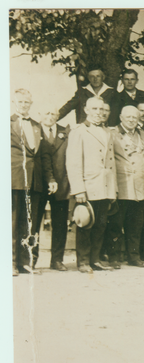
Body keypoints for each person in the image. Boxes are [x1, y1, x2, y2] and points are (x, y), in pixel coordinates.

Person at [66, 97, 118, 273]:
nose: (98, 112)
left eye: (101, 109)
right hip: (89, 186)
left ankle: (95, 259)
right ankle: (83, 261)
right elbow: (73, 163)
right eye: (94, 109)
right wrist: (78, 189)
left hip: (105, 185)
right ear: (86, 110)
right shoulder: (79, 131)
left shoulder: (107, 131)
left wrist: (113, 189)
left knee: (101, 224)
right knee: (86, 223)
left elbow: (112, 163)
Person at [105, 106, 144, 268]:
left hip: (140, 188)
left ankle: (134, 257)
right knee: (116, 225)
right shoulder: (112, 134)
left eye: (135, 117)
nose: (132, 120)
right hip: (122, 185)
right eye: (128, 117)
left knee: (136, 225)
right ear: (120, 117)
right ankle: (114, 258)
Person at [11, 89, 44, 276]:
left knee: (29, 224)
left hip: (34, 181)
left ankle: (26, 262)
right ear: (14, 102)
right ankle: (11, 263)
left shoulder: (36, 125)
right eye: (20, 102)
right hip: (14, 178)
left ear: (31, 104)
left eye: (27, 102)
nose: (24, 105)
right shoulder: (7, 123)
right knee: (13, 223)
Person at [37, 105, 70, 272]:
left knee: (60, 224)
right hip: (38, 184)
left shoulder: (66, 132)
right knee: (34, 223)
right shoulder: (34, 130)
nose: (50, 116)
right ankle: (31, 259)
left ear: (58, 115)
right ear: (40, 114)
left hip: (61, 183)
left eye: (53, 113)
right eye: (46, 112)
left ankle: (57, 260)